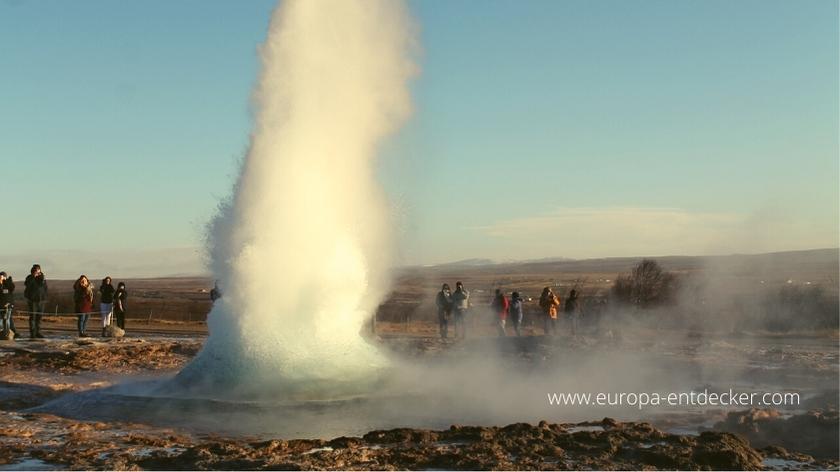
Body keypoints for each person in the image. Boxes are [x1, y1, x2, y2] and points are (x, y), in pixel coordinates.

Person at [23, 264, 48, 339]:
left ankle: (38, 332)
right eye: (36, 270)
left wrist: (44, 296)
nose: (37, 271)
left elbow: (45, 287)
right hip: (32, 301)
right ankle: (33, 333)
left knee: (39, 317)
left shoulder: (42, 278)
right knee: (33, 317)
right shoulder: (29, 278)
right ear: (33, 271)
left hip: (41, 300)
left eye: (39, 269)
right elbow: (28, 285)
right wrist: (34, 277)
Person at [0, 272, 17, 339]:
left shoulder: (8, 284)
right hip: (0, 305)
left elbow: (12, 288)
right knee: (0, 320)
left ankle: (7, 333)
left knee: (7, 319)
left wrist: (5, 280)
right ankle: (1, 333)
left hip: (8, 305)